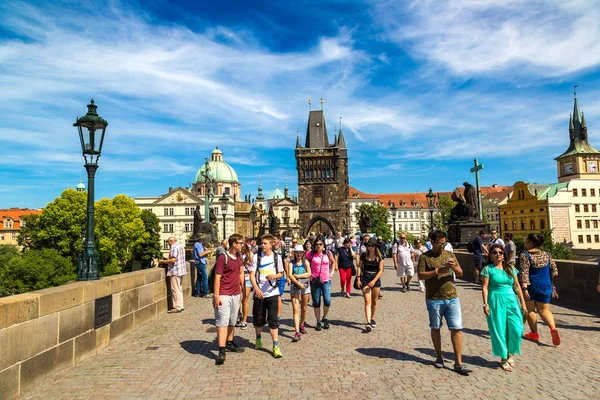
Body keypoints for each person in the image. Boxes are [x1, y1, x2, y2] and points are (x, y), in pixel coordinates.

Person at [417, 230, 472, 375]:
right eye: (440, 243)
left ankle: (458, 362)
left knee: (456, 328)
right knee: (436, 327)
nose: (443, 246)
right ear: (432, 242)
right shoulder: (425, 257)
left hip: (452, 297)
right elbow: (421, 275)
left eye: (445, 243)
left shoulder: (450, 255)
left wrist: (453, 267)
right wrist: (438, 271)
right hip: (434, 298)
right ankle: (439, 357)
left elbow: (460, 273)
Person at [481, 244, 527, 372]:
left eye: (501, 252)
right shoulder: (488, 269)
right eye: (495, 252)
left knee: (516, 328)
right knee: (499, 328)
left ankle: (510, 352)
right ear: (490, 255)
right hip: (495, 299)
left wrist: (523, 303)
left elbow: (517, 287)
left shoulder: (510, 268)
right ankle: (504, 357)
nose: (498, 254)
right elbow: (485, 287)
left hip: (511, 300)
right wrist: (485, 304)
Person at [520, 233, 560, 346]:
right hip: (546, 285)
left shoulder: (525, 255)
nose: (524, 241)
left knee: (530, 310)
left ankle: (534, 333)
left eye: (526, 239)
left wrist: (524, 288)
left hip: (532, 286)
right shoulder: (547, 254)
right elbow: (555, 271)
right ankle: (553, 328)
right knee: (544, 310)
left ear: (530, 243)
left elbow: (524, 273)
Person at [250, 234, 285, 358]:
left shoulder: (277, 257)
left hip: (272, 292)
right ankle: (258, 338)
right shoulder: (256, 257)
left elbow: (281, 273)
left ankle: (275, 346)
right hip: (259, 293)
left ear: (271, 245)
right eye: (262, 243)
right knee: (258, 319)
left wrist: (274, 276)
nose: (262, 245)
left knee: (273, 320)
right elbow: (252, 275)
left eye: (265, 243)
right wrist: (256, 288)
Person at [213, 234, 246, 365]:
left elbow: (240, 272)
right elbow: (217, 277)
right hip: (224, 294)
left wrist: (242, 289)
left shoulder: (238, 257)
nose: (242, 245)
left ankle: (230, 342)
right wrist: (216, 296)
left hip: (236, 293)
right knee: (222, 321)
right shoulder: (223, 258)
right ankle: (221, 350)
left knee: (233, 319)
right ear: (233, 244)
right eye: (240, 243)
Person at [306, 237, 337, 330]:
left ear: (323, 245)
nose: (318, 246)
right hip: (315, 280)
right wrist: (308, 272)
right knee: (316, 302)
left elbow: (333, 262)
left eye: (320, 244)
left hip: (326, 280)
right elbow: (305, 261)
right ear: (314, 245)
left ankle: (325, 317)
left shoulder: (328, 253)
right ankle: (318, 321)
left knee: (327, 300)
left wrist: (331, 272)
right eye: (317, 244)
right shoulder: (310, 253)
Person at [356, 238, 384, 332]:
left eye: (372, 245)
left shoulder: (379, 256)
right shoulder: (363, 255)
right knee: (367, 301)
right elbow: (359, 267)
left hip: (375, 278)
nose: (370, 247)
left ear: (375, 246)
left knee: (374, 301)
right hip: (366, 278)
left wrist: (374, 281)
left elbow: (380, 271)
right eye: (369, 245)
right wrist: (358, 278)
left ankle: (372, 319)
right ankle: (368, 322)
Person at [288, 244, 312, 341]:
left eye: (300, 252)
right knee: (295, 309)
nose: (299, 254)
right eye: (297, 252)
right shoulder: (291, 263)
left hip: (305, 286)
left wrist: (298, 276)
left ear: (303, 253)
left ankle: (302, 323)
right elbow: (290, 275)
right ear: (294, 253)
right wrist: (298, 283)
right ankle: (297, 332)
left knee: (304, 308)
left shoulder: (306, 262)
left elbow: (309, 273)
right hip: (295, 287)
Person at [158, 236, 187, 313]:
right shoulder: (181, 246)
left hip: (175, 271)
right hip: (181, 270)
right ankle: (180, 306)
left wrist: (162, 262)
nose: (168, 245)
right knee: (179, 289)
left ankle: (177, 307)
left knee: (175, 289)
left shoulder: (174, 247)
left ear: (170, 242)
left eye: (168, 243)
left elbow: (173, 260)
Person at [238, 242, 254, 330]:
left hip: (247, 278)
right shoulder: (236, 254)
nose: (242, 250)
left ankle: (244, 320)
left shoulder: (250, 254)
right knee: (237, 299)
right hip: (237, 278)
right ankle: (238, 314)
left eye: (243, 249)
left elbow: (253, 266)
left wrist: (246, 262)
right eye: (241, 248)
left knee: (245, 299)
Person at [273, 238, 288, 323]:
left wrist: (288, 276)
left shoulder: (282, 250)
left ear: (278, 240)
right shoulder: (269, 249)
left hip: (280, 276)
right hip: (270, 276)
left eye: (274, 239)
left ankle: (278, 316)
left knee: (278, 297)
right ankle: (271, 314)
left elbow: (285, 263)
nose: (273, 241)